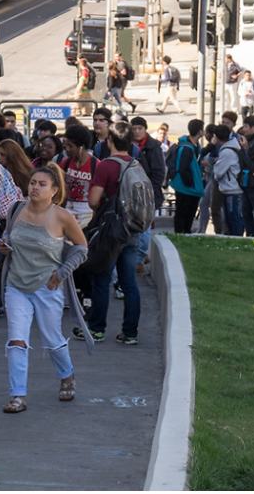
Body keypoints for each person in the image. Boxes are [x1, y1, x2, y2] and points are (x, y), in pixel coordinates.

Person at [0, 164, 88, 413]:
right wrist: (4, 245)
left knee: (52, 339)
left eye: (42, 184)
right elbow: (7, 235)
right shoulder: (16, 209)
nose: (35, 187)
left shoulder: (62, 217)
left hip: (47, 287)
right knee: (16, 341)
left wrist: (61, 273)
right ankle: (18, 396)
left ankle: (67, 375)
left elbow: (82, 248)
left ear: (54, 190)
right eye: (33, 182)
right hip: (16, 286)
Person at [73, 122, 142, 345]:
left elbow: (93, 201)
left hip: (110, 233)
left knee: (101, 280)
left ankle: (96, 329)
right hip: (131, 231)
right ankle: (130, 333)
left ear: (110, 140)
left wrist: (102, 207)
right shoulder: (136, 165)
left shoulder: (105, 166)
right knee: (129, 283)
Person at [130, 117, 165, 271]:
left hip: (148, 193)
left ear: (145, 129)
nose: (137, 132)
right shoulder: (128, 145)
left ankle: (140, 258)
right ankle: (141, 255)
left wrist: (150, 191)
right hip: (131, 192)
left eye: (140, 128)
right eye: (134, 128)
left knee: (144, 227)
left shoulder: (153, 147)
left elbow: (158, 172)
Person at [169, 119, 205, 234]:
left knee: (190, 212)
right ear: (200, 132)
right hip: (185, 186)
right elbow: (183, 168)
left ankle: (187, 232)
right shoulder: (186, 148)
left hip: (191, 186)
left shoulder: (194, 145)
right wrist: (191, 182)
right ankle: (180, 234)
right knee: (182, 211)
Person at [60, 125, 99, 228]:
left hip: (87, 214)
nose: (67, 149)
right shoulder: (65, 163)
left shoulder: (96, 166)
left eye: (71, 146)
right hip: (67, 211)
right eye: (66, 145)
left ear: (81, 147)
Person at [213, 124, 245, 236]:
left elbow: (218, 173)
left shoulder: (227, 152)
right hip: (233, 189)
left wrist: (216, 163)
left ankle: (236, 242)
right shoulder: (234, 147)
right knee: (232, 219)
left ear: (216, 137)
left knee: (233, 219)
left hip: (232, 190)